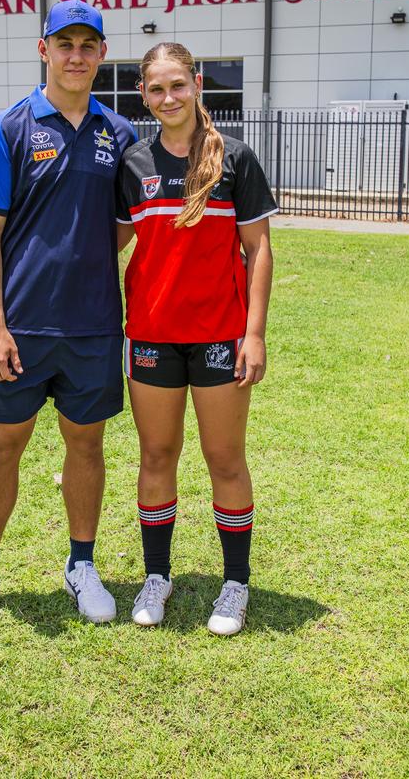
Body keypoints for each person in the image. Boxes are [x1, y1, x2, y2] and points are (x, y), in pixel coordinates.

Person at [0, 1, 136, 636]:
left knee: (86, 443)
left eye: (89, 44)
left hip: (92, 327)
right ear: (44, 49)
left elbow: (123, 225)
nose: (76, 55)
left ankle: (81, 565)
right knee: (4, 445)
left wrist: (80, 265)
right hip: (21, 326)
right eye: (65, 43)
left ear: (102, 54)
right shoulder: (10, 127)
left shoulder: (121, 135)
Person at [116, 42, 277, 636]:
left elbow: (259, 250)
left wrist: (253, 333)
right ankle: (156, 576)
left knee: (224, 458)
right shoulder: (132, 164)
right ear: (143, 95)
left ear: (197, 84)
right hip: (152, 337)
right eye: (156, 89)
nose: (168, 98)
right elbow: (109, 247)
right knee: (157, 456)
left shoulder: (235, 158)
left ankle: (234, 584)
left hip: (219, 336)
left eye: (177, 85)